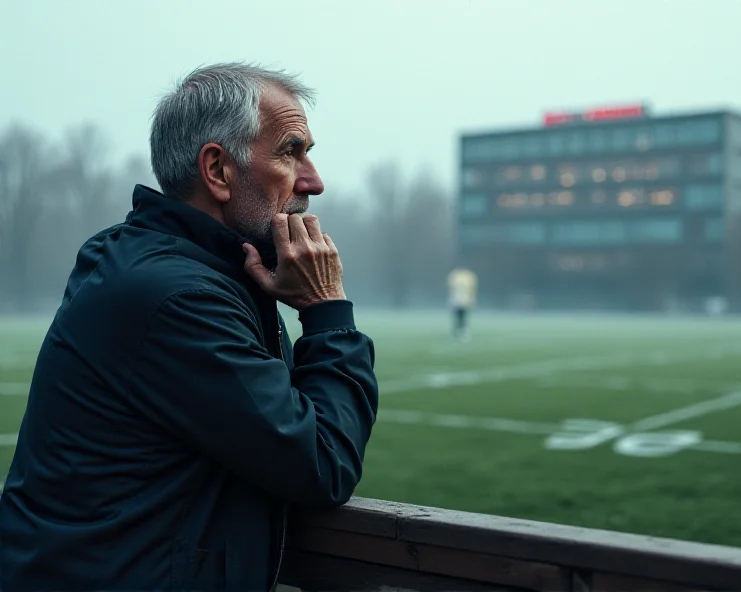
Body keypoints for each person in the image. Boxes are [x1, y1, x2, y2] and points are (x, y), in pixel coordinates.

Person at [0, 63, 379, 591]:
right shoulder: (178, 297)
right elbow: (322, 462)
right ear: (218, 170)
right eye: (291, 152)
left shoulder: (164, 264)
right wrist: (326, 309)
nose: (313, 180)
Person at [447, 266, 478, 341]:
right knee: (459, 317)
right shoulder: (468, 277)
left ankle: (462, 332)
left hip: (462, 300)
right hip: (459, 300)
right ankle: (459, 332)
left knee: (462, 317)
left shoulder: (456, 276)